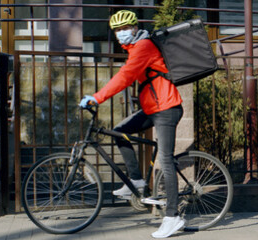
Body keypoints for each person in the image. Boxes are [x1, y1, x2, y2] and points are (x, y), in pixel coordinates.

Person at [78, 10, 185, 238]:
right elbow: (128, 75)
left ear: (135, 28)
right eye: (117, 30)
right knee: (119, 132)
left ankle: (173, 217)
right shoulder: (135, 48)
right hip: (153, 109)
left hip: (167, 109)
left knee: (166, 160)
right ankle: (136, 181)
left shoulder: (144, 46)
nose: (121, 34)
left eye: (125, 28)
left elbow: (125, 76)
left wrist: (97, 97)